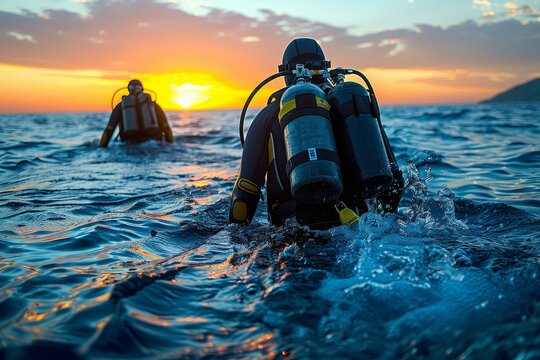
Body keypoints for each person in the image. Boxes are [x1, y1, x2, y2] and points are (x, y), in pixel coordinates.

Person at [228, 38, 404, 229]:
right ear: (325, 67)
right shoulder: (349, 105)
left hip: (292, 233)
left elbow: (245, 191)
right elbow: (393, 179)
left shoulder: (268, 116)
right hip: (351, 229)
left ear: (285, 72)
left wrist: (233, 241)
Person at [99, 79, 173, 147]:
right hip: (153, 144)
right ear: (142, 89)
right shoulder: (153, 105)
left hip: (130, 144)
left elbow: (109, 130)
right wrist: (171, 145)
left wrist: (101, 148)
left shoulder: (121, 106)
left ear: (128, 90)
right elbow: (166, 128)